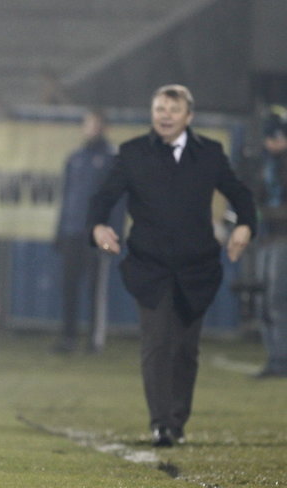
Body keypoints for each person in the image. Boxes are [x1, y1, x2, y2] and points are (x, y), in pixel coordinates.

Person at [87, 84, 256, 447]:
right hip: (151, 266)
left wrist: (246, 224)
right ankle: (160, 423)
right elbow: (103, 198)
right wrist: (98, 226)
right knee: (157, 343)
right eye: (159, 108)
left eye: (172, 109)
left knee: (185, 349)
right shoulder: (132, 153)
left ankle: (177, 420)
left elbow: (240, 194)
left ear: (188, 117)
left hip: (197, 267)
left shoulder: (209, 153)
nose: (164, 115)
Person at [51, 109, 121, 353]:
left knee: (95, 291)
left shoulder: (113, 158)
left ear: (105, 128)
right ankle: (68, 338)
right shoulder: (75, 158)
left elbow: (117, 200)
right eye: (88, 124)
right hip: (72, 231)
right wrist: (60, 231)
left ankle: (95, 340)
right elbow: (67, 198)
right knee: (69, 288)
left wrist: (114, 233)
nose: (92, 128)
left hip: (97, 233)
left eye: (96, 124)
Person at [252, 108, 287, 378]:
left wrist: (264, 213)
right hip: (266, 239)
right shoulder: (265, 164)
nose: (273, 142)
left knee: (277, 300)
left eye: (277, 137)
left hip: (283, 238)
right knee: (263, 299)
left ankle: (282, 359)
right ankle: (274, 357)